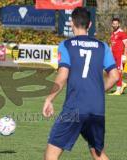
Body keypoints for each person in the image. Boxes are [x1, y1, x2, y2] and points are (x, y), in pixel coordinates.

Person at [42, 7, 119, 160]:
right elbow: (115, 76)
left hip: (74, 107)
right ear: (90, 25)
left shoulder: (66, 45)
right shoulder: (102, 46)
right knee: (98, 153)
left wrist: (49, 99)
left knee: (51, 154)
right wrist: (97, 91)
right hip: (97, 109)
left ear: (71, 23)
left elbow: (63, 75)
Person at [109, 17, 127, 95]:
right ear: (112, 24)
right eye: (113, 24)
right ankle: (122, 84)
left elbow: (126, 44)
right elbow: (112, 45)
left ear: (119, 24)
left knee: (119, 72)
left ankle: (118, 90)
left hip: (120, 55)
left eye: (116, 24)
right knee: (112, 72)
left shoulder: (122, 33)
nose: (115, 25)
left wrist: (125, 55)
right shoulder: (113, 33)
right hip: (114, 56)